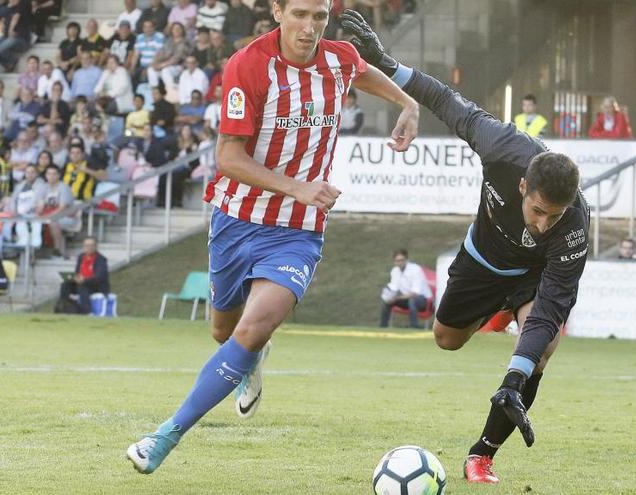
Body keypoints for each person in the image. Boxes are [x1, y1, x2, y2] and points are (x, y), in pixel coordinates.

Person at [126, 0, 419, 475]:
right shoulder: (248, 65)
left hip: (297, 230)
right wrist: (298, 185)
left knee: (251, 326)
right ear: (278, 11)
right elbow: (228, 157)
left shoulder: (337, 58)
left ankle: (164, 436)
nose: (309, 28)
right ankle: (253, 358)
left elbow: (360, 71)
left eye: (319, 17)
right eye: (300, 14)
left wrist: (407, 103)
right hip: (236, 218)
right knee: (224, 332)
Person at [343, 9, 587, 484]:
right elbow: (444, 99)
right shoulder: (500, 145)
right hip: (484, 258)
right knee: (447, 339)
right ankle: (495, 313)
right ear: (521, 187)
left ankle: (482, 454)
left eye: (553, 216)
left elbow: (552, 305)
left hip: (534, 277)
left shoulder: (573, 224)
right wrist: (387, 62)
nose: (543, 224)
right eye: (538, 211)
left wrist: (515, 379)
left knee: (543, 344)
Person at [379, 249, 431, 329]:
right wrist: (389, 296)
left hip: (423, 300)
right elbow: (394, 288)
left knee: (412, 301)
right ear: (394, 261)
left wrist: (396, 298)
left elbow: (415, 293)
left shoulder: (415, 269)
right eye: (397, 261)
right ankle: (382, 328)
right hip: (405, 298)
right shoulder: (394, 271)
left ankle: (414, 327)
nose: (400, 262)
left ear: (406, 260)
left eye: (402, 260)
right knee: (387, 302)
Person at [56, 237, 109, 314]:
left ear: (96, 247)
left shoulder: (100, 260)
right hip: (81, 282)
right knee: (65, 284)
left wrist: (85, 280)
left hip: (96, 286)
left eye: (91, 245)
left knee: (82, 286)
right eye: (87, 246)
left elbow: (100, 277)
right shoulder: (81, 257)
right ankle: (63, 306)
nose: (89, 248)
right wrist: (74, 278)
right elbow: (77, 272)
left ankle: (86, 310)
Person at [147, 22, 191, 100]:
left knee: (165, 71)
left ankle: (171, 94)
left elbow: (177, 58)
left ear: (182, 31)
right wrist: (154, 64)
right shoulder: (168, 42)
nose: (176, 30)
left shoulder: (185, 42)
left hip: (179, 66)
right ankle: (155, 93)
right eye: (174, 29)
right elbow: (160, 54)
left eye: (178, 29)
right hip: (165, 65)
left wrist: (161, 65)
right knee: (151, 70)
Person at [9, 164, 46, 250]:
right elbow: (13, 200)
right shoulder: (19, 186)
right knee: (20, 225)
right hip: (20, 214)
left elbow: (40, 200)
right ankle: (22, 245)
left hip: (36, 213)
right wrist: (14, 211)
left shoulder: (42, 185)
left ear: (37, 173)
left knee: (36, 224)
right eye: (27, 172)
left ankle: (35, 246)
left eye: (32, 172)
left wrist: (29, 209)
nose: (30, 174)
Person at [41, 164, 75, 258]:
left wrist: (49, 216)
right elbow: (39, 204)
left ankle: (57, 249)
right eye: (49, 174)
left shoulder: (64, 188)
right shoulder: (43, 187)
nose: (51, 176)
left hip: (65, 216)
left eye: (54, 174)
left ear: (58, 175)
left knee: (53, 221)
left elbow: (62, 207)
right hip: (48, 214)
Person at [0, 0, 33, 72]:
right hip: (7, 37)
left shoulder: (24, 3)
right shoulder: (9, 6)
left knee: (0, 49)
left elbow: (16, 17)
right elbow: (2, 18)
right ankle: (9, 64)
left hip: (21, 38)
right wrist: (2, 22)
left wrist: (10, 30)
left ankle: (13, 60)